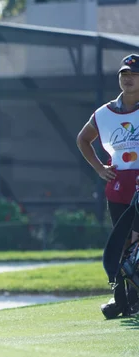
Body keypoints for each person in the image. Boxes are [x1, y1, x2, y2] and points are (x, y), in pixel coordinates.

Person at [77, 53, 139, 319]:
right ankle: (122, 301)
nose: (128, 79)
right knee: (122, 243)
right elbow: (83, 139)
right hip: (118, 185)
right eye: (124, 75)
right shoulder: (104, 113)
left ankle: (134, 300)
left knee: (137, 242)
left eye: (134, 75)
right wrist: (99, 168)